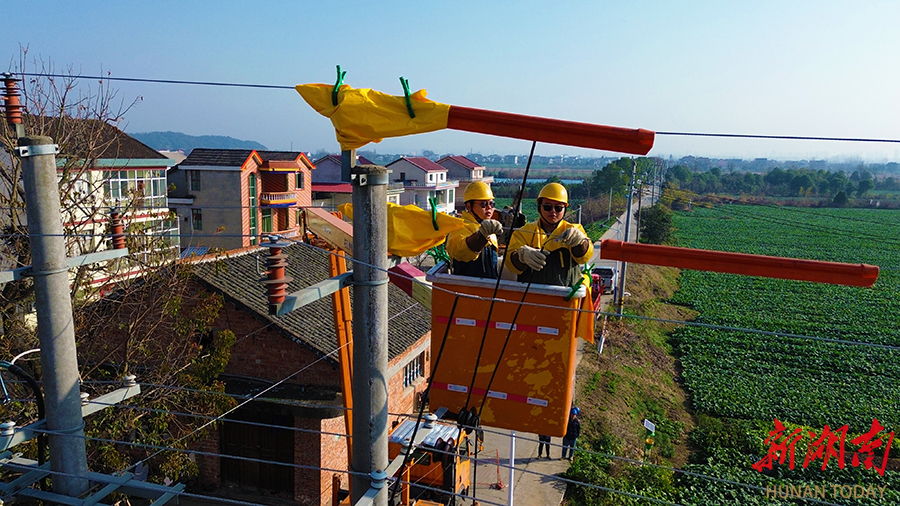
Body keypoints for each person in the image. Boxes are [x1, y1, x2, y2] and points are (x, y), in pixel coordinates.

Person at [507, 182, 593, 286]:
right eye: (547, 207)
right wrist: (521, 256)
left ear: (565, 209)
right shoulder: (524, 232)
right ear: (539, 207)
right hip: (532, 294)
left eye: (558, 208)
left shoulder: (574, 229)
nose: (553, 211)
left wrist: (581, 242)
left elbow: (584, 257)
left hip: (566, 295)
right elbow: (511, 264)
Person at [446, 181, 503, 279]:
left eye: (491, 204)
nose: (489, 208)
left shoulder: (489, 228)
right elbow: (461, 252)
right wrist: (481, 236)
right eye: (483, 204)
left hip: (490, 285)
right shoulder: (460, 228)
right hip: (467, 286)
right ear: (469, 206)